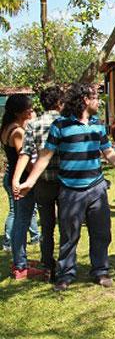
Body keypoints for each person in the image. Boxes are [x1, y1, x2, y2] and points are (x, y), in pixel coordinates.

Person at [15, 83, 115, 291]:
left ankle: (100, 271)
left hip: (97, 188)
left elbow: (108, 152)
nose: (99, 101)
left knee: (101, 233)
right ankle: (65, 274)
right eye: (95, 97)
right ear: (84, 100)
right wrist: (29, 181)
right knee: (69, 235)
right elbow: (45, 156)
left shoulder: (98, 124)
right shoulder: (60, 125)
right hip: (70, 190)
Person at [11, 86, 63, 280]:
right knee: (66, 226)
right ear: (59, 103)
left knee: (47, 227)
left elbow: (25, 153)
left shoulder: (33, 124)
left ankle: (48, 265)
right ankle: (65, 266)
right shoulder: (65, 122)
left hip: (42, 183)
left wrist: (17, 179)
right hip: (66, 182)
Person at [1, 94, 43, 279]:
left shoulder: (7, 127)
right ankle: (20, 266)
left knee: (20, 218)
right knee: (22, 221)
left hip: (12, 177)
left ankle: (20, 260)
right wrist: (37, 174)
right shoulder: (17, 131)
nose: (31, 110)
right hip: (21, 180)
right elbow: (24, 158)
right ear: (20, 111)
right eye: (29, 108)